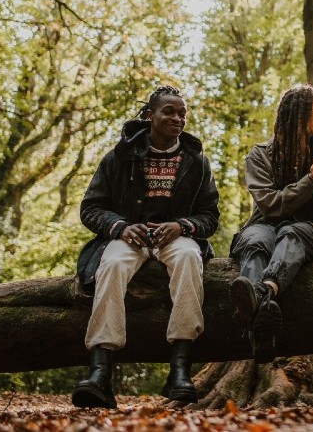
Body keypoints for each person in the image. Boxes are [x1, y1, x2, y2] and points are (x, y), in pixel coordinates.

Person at [72, 86, 221, 408]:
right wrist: (121, 227)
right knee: (110, 266)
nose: (177, 118)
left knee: (189, 258)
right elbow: (90, 208)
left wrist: (182, 226)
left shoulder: (197, 162)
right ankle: (100, 373)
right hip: (128, 237)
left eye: (182, 113)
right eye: (169, 111)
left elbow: (210, 216)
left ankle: (179, 372)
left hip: (176, 238)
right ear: (149, 115)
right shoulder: (118, 157)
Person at [230, 84, 313, 362]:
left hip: (312, 232)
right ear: (298, 114)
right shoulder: (260, 155)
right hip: (265, 224)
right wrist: (309, 182)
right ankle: (261, 332)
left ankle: (262, 293)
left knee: (292, 231)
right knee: (256, 240)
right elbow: (270, 206)